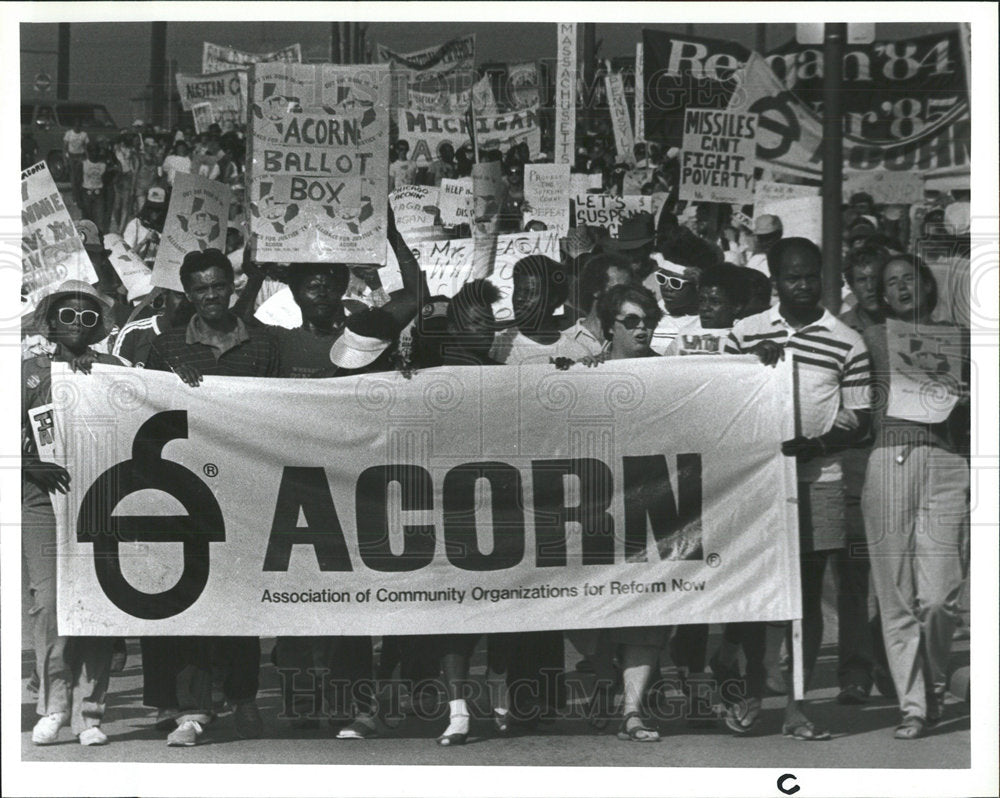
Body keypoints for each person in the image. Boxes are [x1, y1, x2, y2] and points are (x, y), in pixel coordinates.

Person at [722, 237, 872, 740]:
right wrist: (747, 365)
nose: (803, 285)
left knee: (804, 598)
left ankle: (796, 704)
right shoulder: (744, 333)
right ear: (776, 281)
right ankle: (749, 692)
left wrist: (822, 443)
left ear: (823, 278)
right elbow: (715, 400)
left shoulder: (847, 340)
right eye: (793, 277)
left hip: (819, 483)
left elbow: (862, 421)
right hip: (753, 486)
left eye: (811, 276)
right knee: (750, 591)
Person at [142, 248, 279, 747]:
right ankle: (195, 709)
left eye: (218, 285)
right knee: (191, 596)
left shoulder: (264, 345)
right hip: (188, 492)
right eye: (199, 289)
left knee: (240, 600)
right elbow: (144, 405)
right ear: (188, 293)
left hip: (245, 488)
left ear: (232, 285)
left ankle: (243, 699)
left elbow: (289, 410)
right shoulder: (169, 348)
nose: (210, 295)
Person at [861, 255, 969, 740]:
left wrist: (972, 396)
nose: (902, 287)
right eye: (892, 282)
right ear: (882, 295)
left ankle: (936, 684)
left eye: (910, 278)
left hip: (947, 463)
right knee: (897, 594)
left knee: (941, 599)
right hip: (891, 459)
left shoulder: (962, 338)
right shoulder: (872, 337)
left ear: (927, 285)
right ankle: (915, 706)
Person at [23, 281, 124, 746]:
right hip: (43, 499)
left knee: (99, 601)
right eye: (68, 316)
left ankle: (91, 712)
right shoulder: (28, 373)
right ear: (51, 321)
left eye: (88, 318)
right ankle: (54, 704)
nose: (77, 326)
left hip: (99, 498)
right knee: (50, 602)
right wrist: (28, 463)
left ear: (99, 325)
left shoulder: (114, 370)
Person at [836, 244, 895, 705]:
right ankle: (856, 670)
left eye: (879, 278)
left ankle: (891, 659)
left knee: (900, 576)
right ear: (850, 286)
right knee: (855, 579)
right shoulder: (839, 332)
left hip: (904, 464)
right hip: (855, 470)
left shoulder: (915, 327)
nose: (872, 288)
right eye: (862, 280)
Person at [490, 255, 571, 365]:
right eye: (518, 290)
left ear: (552, 299)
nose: (519, 298)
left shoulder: (577, 352)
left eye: (529, 292)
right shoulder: (495, 347)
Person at [557, 253, 634, 357]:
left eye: (629, 291)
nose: (626, 297)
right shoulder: (562, 343)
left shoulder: (632, 337)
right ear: (595, 290)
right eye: (618, 290)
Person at [649, 257, 701, 355]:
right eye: (662, 279)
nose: (667, 287)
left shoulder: (707, 322)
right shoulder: (648, 314)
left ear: (697, 287)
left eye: (675, 283)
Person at [123, 187, 168, 267]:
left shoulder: (166, 227)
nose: (154, 213)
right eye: (151, 208)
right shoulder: (135, 225)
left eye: (158, 209)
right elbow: (127, 257)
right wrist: (145, 240)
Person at [79, 144, 107, 232]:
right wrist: (78, 199)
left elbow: (106, 181)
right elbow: (77, 181)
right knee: (86, 221)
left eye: (96, 151)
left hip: (99, 193)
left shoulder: (103, 165)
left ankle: (100, 241)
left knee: (99, 220)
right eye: (92, 151)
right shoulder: (83, 164)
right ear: (88, 152)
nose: (94, 154)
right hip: (86, 193)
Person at [63, 120, 89, 205]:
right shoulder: (69, 133)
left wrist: (87, 158)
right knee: (73, 178)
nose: (77, 127)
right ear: (73, 126)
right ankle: (75, 197)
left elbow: (86, 148)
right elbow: (65, 147)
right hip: (71, 156)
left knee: (80, 178)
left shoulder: (84, 134)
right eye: (75, 125)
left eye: (79, 126)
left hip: (80, 156)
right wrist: (65, 159)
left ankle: (80, 196)